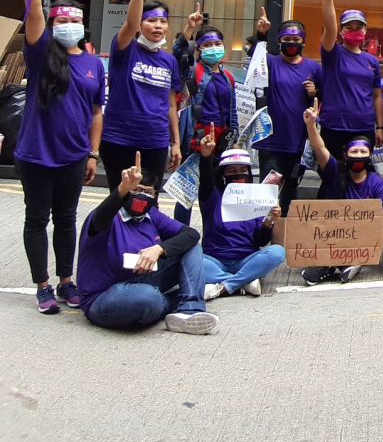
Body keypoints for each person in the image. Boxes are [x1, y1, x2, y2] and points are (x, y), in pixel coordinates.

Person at [15, 0, 105, 314]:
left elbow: (97, 111)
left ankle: (67, 282)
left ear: (84, 25)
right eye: (63, 20)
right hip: (35, 152)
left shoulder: (93, 63)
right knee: (37, 218)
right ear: (54, 25)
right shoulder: (40, 55)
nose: (70, 25)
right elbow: (34, 16)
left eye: (75, 20)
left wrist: (93, 153)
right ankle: (42, 286)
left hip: (74, 155)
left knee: (66, 219)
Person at [77, 152, 217, 333]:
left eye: (147, 192)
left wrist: (160, 248)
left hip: (144, 278)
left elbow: (190, 234)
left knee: (191, 248)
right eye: (136, 190)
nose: (141, 196)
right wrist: (122, 188)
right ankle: (177, 299)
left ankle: (190, 310)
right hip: (106, 295)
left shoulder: (151, 215)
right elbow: (101, 216)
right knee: (148, 298)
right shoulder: (109, 216)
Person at [99, 0, 183, 190]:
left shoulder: (169, 61)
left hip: (155, 142)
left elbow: (171, 105)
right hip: (119, 140)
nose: (158, 26)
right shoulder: (125, 49)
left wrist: (175, 143)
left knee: (148, 202)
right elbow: (131, 25)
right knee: (120, 199)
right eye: (152, 20)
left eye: (163, 21)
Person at [301, 105, 383, 285]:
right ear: (345, 155)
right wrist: (311, 125)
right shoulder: (335, 172)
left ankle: (337, 264)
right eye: (354, 152)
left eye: (363, 152)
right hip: (331, 234)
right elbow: (320, 149)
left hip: (362, 239)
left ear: (370, 156)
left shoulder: (378, 184)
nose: (358, 156)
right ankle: (338, 264)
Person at [247, 10, 322, 214]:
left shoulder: (313, 68)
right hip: (270, 140)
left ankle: (286, 235)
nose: (291, 43)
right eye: (286, 39)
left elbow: (323, 98)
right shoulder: (270, 62)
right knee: (268, 192)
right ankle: (264, 235)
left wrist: (315, 92)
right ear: (279, 41)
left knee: (290, 189)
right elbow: (255, 58)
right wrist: (261, 34)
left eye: (296, 39)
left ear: (303, 42)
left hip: (298, 142)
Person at [317, 0, 383, 188]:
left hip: (363, 126)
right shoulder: (332, 54)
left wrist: (379, 127)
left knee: (360, 179)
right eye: (349, 27)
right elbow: (329, 26)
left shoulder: (371, 61)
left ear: (366, 30)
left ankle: (359, 220)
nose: (354, 31)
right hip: (334, 126)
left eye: (359, 27)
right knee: (333, 177)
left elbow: (376, 96)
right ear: (342, 30)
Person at [195, 139, 285, 300]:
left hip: (246, 260)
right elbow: (206, 179)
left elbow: (261, 241)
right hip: (214, 260)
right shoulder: (213, 198)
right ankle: (244, 281)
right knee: (190, 259)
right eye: (232, 171)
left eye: (243, 169)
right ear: (222, 175)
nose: (238, 174)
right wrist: (206, 156)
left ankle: (225, 285)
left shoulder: (258, 199)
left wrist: (267, 224)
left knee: (278, 251)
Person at [172, 18, 238, 225]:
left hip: (221, 142)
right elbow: (178, 54)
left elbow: (233, 111)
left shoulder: (228, 76)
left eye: (217, 44)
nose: (213, 48)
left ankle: (213, 239)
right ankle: (179, 238)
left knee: (214, 193)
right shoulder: (193, 71)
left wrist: (234, 138)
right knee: (186, 194)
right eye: (207, 45)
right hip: (196, 139)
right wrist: (189, 29)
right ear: (198, 49)